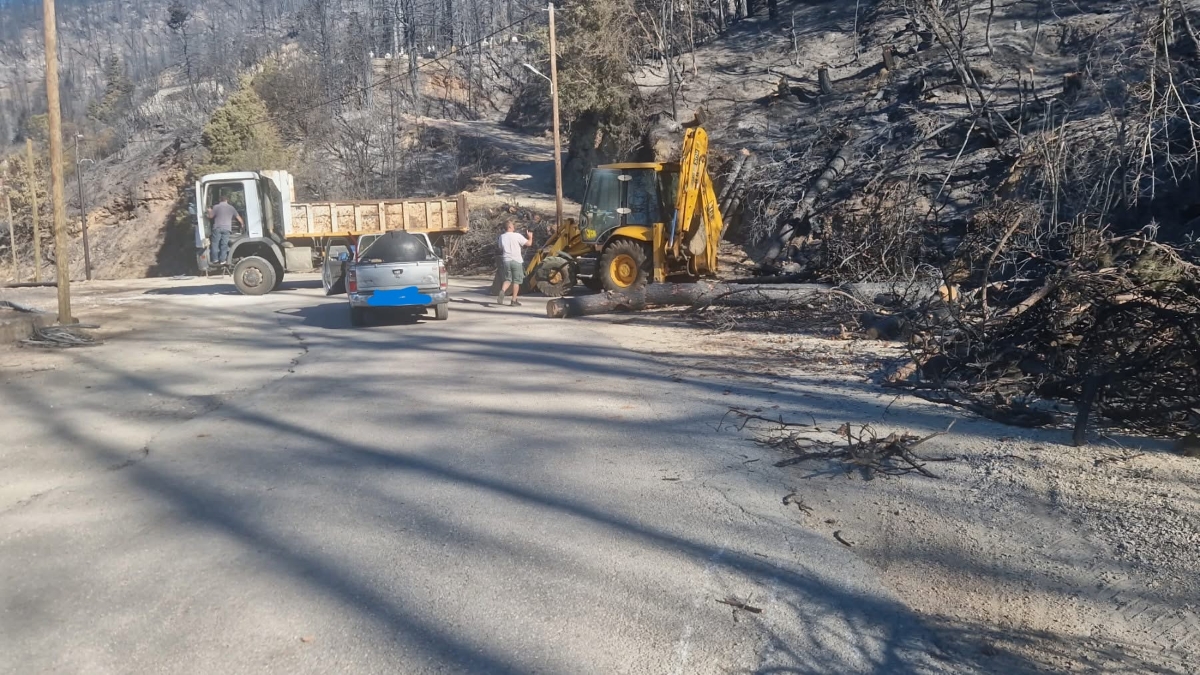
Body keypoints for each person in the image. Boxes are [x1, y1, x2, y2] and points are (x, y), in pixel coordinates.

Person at [496, 220, 533, 306]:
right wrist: (530, 237)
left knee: (507, 280)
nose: (514, 226)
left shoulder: (502, 237)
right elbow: (529, 244)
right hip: (516, 260)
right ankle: (513, 300)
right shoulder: (517, 235)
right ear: (509, 227)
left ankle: (502, 291)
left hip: (506, 260)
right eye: (512, 225)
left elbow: (500, 247)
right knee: (516, 281)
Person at [206, 196, 244, 266]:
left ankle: (215, 259)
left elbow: (210, 216)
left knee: (215, 244)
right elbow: (238, 217)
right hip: (227, 229)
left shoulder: (216, 207)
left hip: (217, 228)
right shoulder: (231, 208)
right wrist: (242, 224)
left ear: (220, 200)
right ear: (227, 200)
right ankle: (222, 260)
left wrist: (209, 211)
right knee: (224, 245)